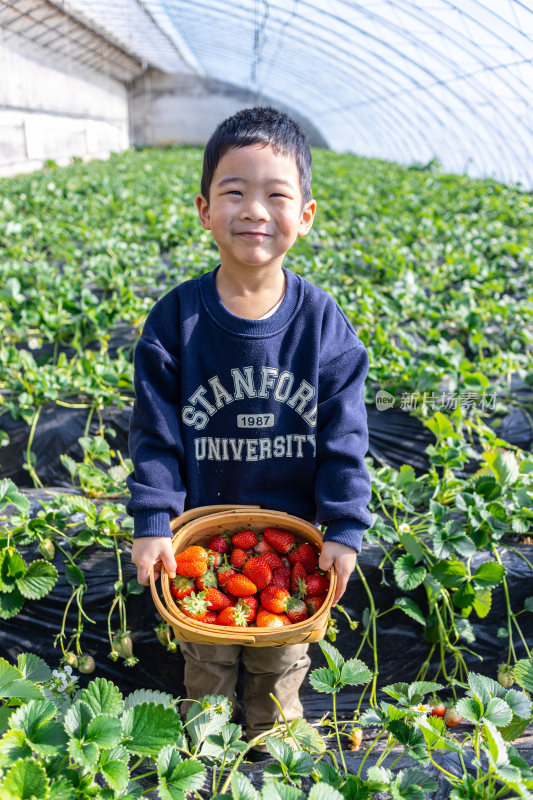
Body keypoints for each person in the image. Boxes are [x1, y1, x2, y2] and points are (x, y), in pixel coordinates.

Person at [126, 106, 373, 759]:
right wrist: (153, 520)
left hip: (293, 543)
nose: (254, 210)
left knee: (282, 659)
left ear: (306, 215)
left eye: (275, 195)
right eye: (234, 192)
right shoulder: (174, 320)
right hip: (200, 540)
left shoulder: (322, 325)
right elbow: (154, 433)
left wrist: (344, 529)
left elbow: (345, 435)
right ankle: (205, 737)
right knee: (207, 657)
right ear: (205, 208)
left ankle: (275, 739)